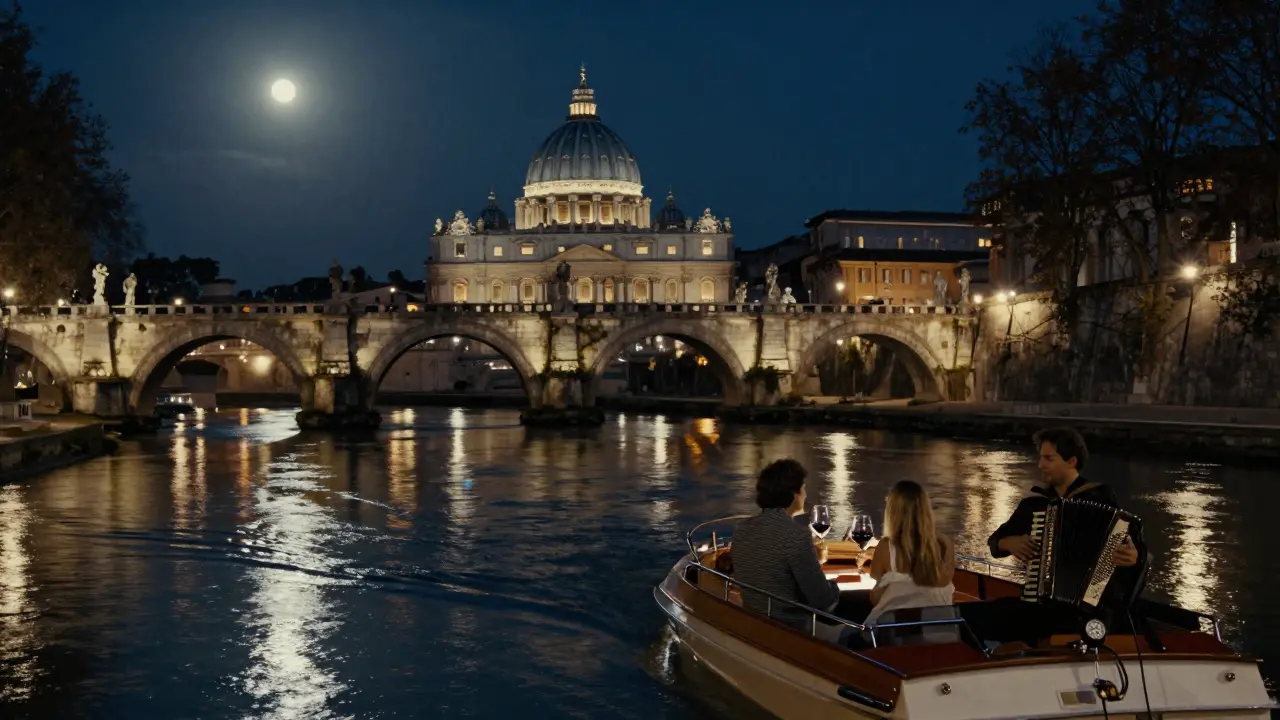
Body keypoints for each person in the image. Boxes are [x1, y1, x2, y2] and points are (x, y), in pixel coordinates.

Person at [988, 426, 1144, 604]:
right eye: (1041, 457)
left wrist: (1134, 556)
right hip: (1042, 602)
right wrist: (1008, 543)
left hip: (1089, 607)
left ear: (1071, 461)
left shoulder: (1100, 496)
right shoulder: (1035, 505)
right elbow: (994, 543)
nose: (1040, 465)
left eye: (1048, 458)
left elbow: (1134, 548)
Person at [731, 459, 840, 637]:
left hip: (754, 622)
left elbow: (770, 567)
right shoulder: (796, 536)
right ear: (794, 493)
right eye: (803, 488)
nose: (805, 494)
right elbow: (823, 600)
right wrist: (835, 586)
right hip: (790, 631)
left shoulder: (741, 529)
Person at [865, 481, 955, 627]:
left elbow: (875, 598)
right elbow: (949, 595)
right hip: (939, 633)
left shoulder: (885, 547)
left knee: (843, 634)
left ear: (892, 512)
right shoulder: (945, 545)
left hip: (894, 635)